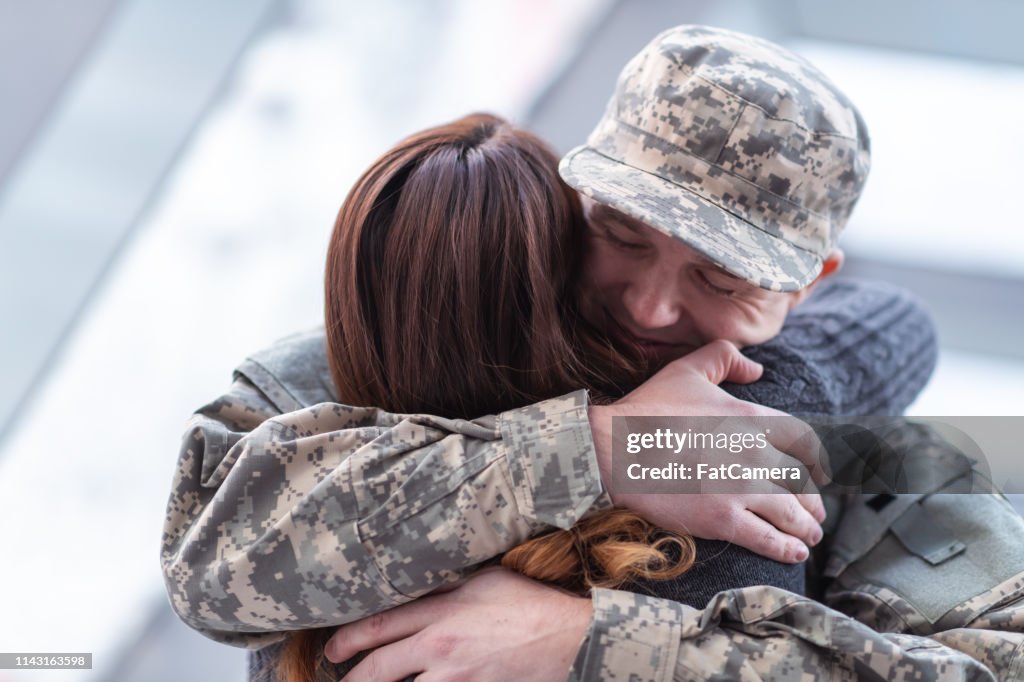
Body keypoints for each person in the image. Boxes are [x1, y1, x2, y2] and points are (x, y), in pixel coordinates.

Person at [160, 25, 1023, 681]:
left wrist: (592, 645)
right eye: (622, 236)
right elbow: (214, 573)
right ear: (575, 197)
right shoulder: (368, 367)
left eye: (722, 279)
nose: (651, 306)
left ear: (806, 286)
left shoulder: (870, 455)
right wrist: (592, 454)